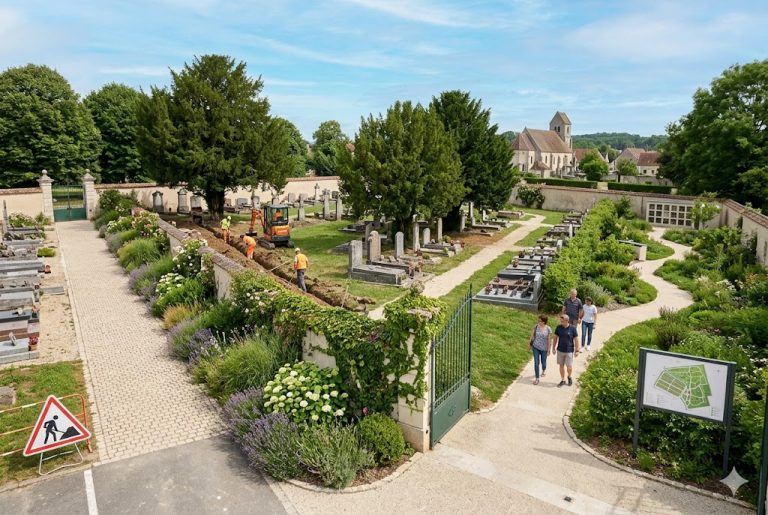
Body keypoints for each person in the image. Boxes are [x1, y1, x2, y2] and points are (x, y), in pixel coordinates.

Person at [551, 314, 579, 387]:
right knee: (561, 366)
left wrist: (577, 350)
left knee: (569, 367)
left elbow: (576, 340)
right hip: (560, 350)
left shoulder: (572, 328)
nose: (561, 322)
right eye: (560, 321)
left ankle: (569, 377)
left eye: (562, 321)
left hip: (569, 350)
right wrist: (553, 348)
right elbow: (555, 338)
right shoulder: (558, 327)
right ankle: (563, 380)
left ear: (567, 321)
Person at [528, 315, 551, 385]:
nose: (538, 322)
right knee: (536, 363)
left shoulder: (548, 329)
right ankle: (537, 378)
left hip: (544, 348)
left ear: (544, 322)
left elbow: (549, 340)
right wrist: (529, 345)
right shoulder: (535, 327)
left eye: (540, 321)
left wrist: (549, 349)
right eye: (538, 320)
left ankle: (543, 370)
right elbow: (532, 336)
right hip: (536, 347)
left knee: (543, 362)